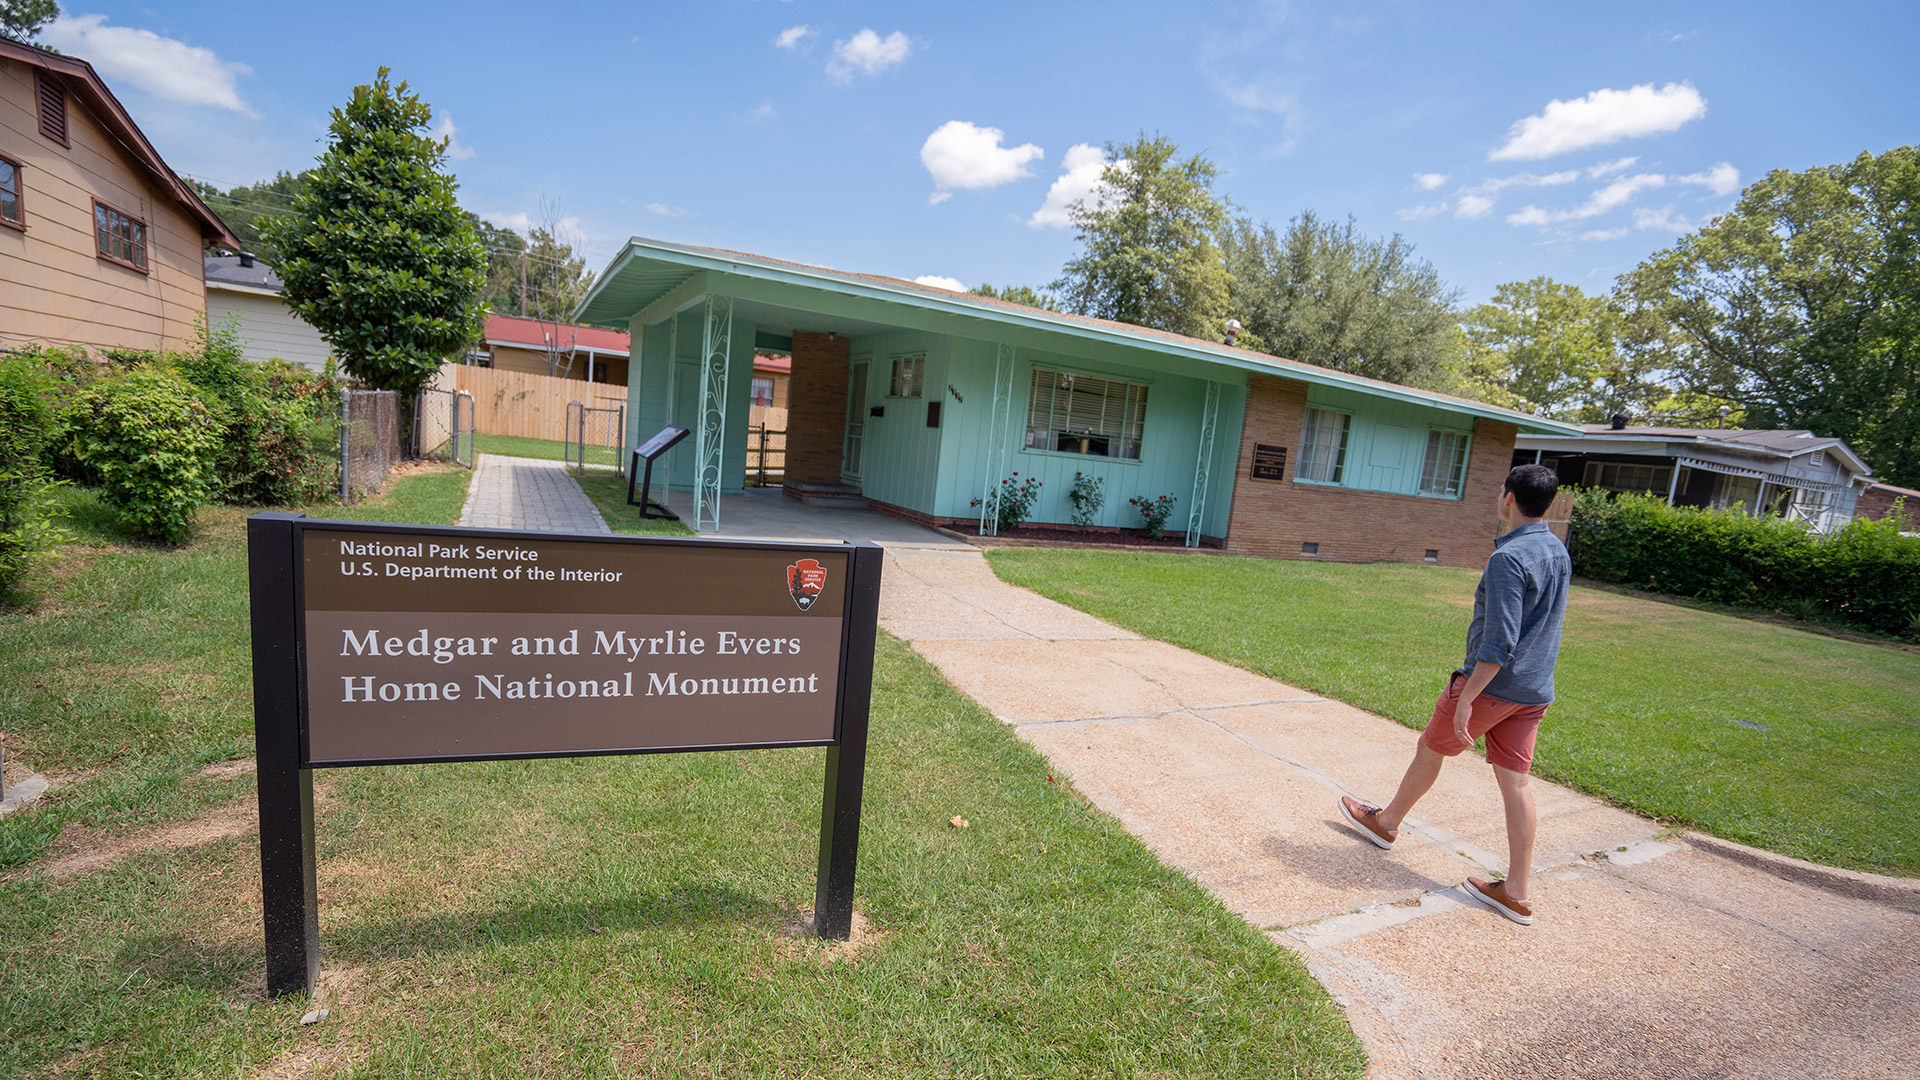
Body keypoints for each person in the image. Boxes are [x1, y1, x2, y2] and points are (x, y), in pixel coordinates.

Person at [1337, 464, 1570, 926]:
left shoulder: (1508, 559)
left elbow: (1499, 641)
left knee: (1430, 747)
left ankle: (1384, 825)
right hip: (1535, 690)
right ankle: (1517, 892)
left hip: (1493, 686)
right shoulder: (1557, 550)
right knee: (1517, 784)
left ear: (1508, 498)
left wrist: (1467, 697)